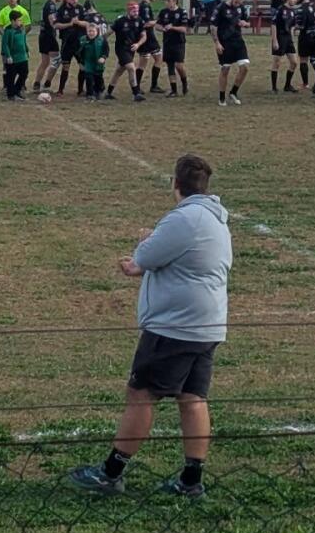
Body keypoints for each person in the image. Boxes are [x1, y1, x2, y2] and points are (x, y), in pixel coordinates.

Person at [68, 154, 231, 499]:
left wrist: (145, 241)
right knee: (193, 399)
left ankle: (111, 473)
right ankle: (191, 480)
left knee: (141, 396)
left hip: (175, 326)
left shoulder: (184, 219)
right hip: (208, 325)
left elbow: (138, 264)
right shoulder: (217, 219)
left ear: (175, 184)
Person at [210, 0, 250, 107]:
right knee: (225, 69)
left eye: (239, 3)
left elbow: (248, 23)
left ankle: (233, 92)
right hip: (224, 42)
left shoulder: (241, 8)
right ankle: (222, 97)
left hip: (238, 41)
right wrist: (217, 43)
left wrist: (245, 24)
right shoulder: (221, 7)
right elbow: (213, 26)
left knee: (245, 67)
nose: (237, 4)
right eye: (236, 2)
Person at [105, 2, 146, 102]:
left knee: (119, 70)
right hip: (121, 49)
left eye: (137, 10)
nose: (136, 13)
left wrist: (138, 44)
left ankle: (108, 93)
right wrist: (99, 40)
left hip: (130, 50)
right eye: (134, 11)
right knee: (131, 68)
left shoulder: (140, 21)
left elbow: (144, 36)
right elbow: (108, 33)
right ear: (128, 10)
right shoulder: (120, 21)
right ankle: (136, 93)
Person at [53, 0, 86, 96]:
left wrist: (78, 22)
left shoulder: (81, 8)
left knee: (83, 66)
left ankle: (80, 90)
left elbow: (88, 23)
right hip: (67, 43)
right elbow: (56, 25)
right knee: (65, 66)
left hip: (79, 43)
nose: (75, 0)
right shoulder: (61, 10)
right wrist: (69, 24)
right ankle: (60, 90)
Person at [157, 0, 190, 97]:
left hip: (178, 43)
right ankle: (174, 90)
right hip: (167, 42)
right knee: (170, 66)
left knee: (179, 65)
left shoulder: (182, 12)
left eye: (168, 1)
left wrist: (172, 27)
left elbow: (184, 29)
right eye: (165, 1)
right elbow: (157, 25)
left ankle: (184, 83)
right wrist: (162, 28)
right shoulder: (163, 12)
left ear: (175, 1)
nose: (166, 3)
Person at [34, 0, 65, 91]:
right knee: (57, 59)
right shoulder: (51, 5)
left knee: (45, 61)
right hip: (48, 35)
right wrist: (58, 25)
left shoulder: (46, 4)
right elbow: (52, 21)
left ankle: (36, 84)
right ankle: (47, 84)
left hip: (42, 35)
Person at [269, 0, 299, 93]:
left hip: (288, 39)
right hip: (280, 37)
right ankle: (274, 87)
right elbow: (273, 25)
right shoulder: (280, 9)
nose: (295, 1)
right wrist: (275, 40)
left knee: (294, 63)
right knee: (276, 63)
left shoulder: (293, 11)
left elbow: (292, 27)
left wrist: (293, 39)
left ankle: (287, 85)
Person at [136, 0, 163, 93]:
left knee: (143, 61)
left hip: (141, 36)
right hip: (149, 37)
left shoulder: (140, 5)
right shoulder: (146, 6)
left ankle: (136, 86)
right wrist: (157, 21)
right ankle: (154, 85)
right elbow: (147, 23)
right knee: (159, 58)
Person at [295, 0, 315, 89]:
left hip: (306, 37)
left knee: (303, 60)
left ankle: (305, 84)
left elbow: (301, 25)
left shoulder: (301, 9)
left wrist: (295, 26)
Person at [1, 9, 29, 101]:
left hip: (22, 57)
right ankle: (11, 94)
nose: (21, 22)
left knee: (24, 73)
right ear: (13, 21)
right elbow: (5, 44)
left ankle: (17, 90)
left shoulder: (22, 29)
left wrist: (27, 51)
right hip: (13, 58)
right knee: (11, 76)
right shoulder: (8, 31)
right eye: (19, 20)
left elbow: (24, 40)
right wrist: (8, 56)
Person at [76, 22, 108, 99]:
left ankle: (99, 90)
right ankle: (90, 94)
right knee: (88, 77)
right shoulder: (83, 40)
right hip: (88, 62)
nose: (91, 33)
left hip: (98, 62)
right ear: (86, 32)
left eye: (93, 31)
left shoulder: (102, 40)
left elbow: (106, 50)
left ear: (97, 32)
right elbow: (78, 52)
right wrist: (80, 62)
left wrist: (103, 57)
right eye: (89, 31)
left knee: (98, 77)